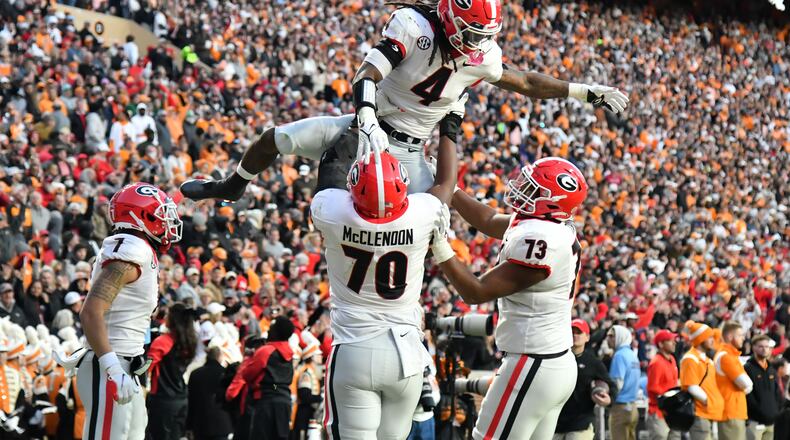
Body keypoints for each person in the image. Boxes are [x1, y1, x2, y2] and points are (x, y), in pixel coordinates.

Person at [180, 0, 628, 202]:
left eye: (482, 37)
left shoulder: (481, 56)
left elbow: (525, 81)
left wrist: (585, 91)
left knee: (436, 218)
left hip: (412, 154)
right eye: (470, 34)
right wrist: (368, 117)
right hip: (361, 130)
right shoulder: (414, 27)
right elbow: (367, 73)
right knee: (273, 139)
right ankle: (231, 186)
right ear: (451, 20)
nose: (476, 44)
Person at [309, 111, 458, 439]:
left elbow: (331, 168)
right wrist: (451, 124)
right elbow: (446, 184)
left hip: (354, 348)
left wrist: (357, 127)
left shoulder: (333, 212)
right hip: (406, 353)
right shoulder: (423, 212)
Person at [432, 157, 588, 439]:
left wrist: (440, 246)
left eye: (532, 188)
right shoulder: (551, 225)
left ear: (551, 201)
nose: (521, 189)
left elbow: (475, 291)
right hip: (553, 363)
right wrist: (449, 189)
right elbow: (488, 220)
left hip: (533, 363)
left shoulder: (543, 239)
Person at [58, 182, 182, 440]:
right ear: (141, 217)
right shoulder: (130, 251)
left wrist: (190, 193)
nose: (168, 221)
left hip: (127, 365)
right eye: (161, 215)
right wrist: (113, 369)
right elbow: (90, 311)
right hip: (111, 365)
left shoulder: (138, 249)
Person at [554, 319, 615, 440]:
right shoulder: (556, 359)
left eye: (579, 332)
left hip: (581, 423)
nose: (574, 335)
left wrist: (609, 400)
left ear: (587, 337)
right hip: (556, 423)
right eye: (572, 332)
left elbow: (611, 385)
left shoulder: (593, 362)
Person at [146, 303, 199, 440]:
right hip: (181, 397)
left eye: (168, 314)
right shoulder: (189, 342)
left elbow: (145, 368)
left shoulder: (162, 341)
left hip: (163, 399)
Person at [238, 316, 295, 440]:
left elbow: (247, 374)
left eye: (271, 328)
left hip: (267, 401)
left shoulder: (266, 351)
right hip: (285, 401)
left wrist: (247, 359)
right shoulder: (290, 352)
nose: (268, 331)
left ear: (276, 332)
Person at [680, 321, 724, 440]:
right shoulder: (690, 359)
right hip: (700, 413)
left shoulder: (708, 360)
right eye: (708, 337)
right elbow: (691, 386)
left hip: (711, 413)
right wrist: (708, 401)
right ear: (700, 339)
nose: (712, 340)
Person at [714, 321, 752, 440]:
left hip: (733, 411)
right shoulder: (726, 357)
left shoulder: (728, 355)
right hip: (731, 412)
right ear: (730, 336)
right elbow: (747, 383)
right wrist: (745, 387)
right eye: (740, 335)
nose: (743, 338)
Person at [186, 346, 234, 440]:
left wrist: (188, 426)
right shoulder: (225, 373)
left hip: (200, 424)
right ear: (220, 357)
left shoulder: (195, 374)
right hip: (222, 424)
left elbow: (191, 402)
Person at [744, 334, 783, 440]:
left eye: (767, 347)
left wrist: (776, 411)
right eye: (761, 346)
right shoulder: (747, 368)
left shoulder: (771, 369)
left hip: (771, 420)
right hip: (754, 420)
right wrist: (758, 411)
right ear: (754, 347)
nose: (764, 349)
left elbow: (778, 392)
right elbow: (748, 394)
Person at [646, 329, 681, 440]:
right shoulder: (656, 362)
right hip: (659, 412)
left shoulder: (672, 359)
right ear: (661, 344)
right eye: (670, 340)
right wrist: (672, 397)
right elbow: (652, 387)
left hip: (672, 411)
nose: (674, 342)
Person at [607, 325, 641, 440]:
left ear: (620, 337)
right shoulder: (632, 355)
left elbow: (617, 383)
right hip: (633, 407)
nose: (608, 338)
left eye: (612, 336)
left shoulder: (619, 355)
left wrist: (608, 399)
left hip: (620, 408)